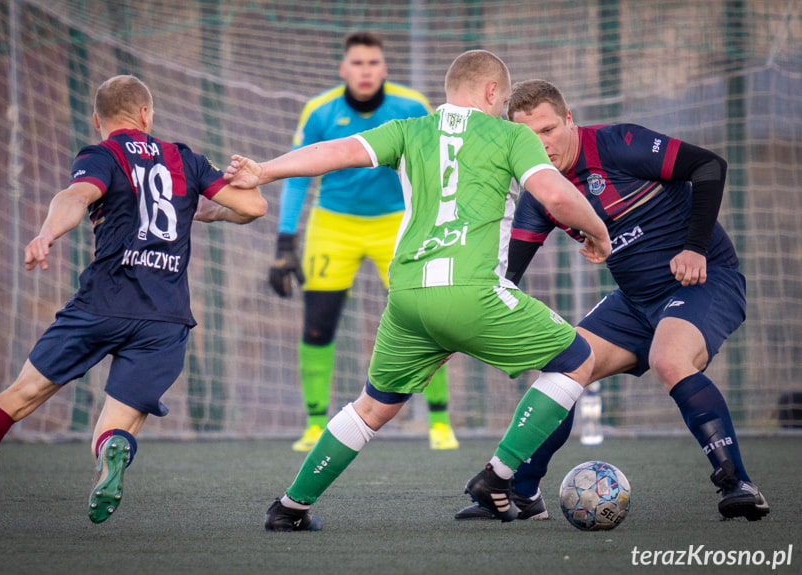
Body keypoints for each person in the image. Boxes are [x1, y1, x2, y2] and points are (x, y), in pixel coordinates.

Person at [226, 50, 612, 531]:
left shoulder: (410, 129)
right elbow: (554, 194)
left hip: (406, 297)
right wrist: (599, 231)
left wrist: (262, 170)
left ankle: (290, 507)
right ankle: (498, 476)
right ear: (493, 92)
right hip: (475, 293)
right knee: (577, 359)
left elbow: (333, 152)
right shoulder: (511, 134)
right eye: (502, 97)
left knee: (371, 407)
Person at [0, 75, 267, 523]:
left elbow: (77, 195)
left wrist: (46, 233)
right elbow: (252, 208)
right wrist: (246, 185)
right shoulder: (184, 158)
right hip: (164, 320)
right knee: (115, 427)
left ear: (98, 120)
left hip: (100, 305)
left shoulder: (102, 154)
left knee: (20, 396)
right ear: (147, 115)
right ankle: (113, 450)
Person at [454, 79, 769, 522]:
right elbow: (506, 273)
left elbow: (710, 165)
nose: (541, 145)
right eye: (527, 137)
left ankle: (738, 483)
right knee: (564, 368)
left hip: (704, 280)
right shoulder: (541, 193)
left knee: (669, 359)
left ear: (569, 120)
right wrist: (458, 317)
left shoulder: (619, 144)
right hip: (635, 302)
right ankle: (522, 494)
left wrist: (695, 247)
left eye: (548, 130)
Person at [271, 31, 458, 451]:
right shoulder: (320, 111)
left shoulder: (412, 107)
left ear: (384, 69)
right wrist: (285, 240)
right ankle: (316, 424)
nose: (366, 70)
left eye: (373, 63)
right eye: (357, 63)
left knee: (428, 318)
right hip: (332, 224)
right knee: (318, 323)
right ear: (344, 69)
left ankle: (440, 421)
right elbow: (298, 176)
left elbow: (441, 164)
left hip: (397, 224)